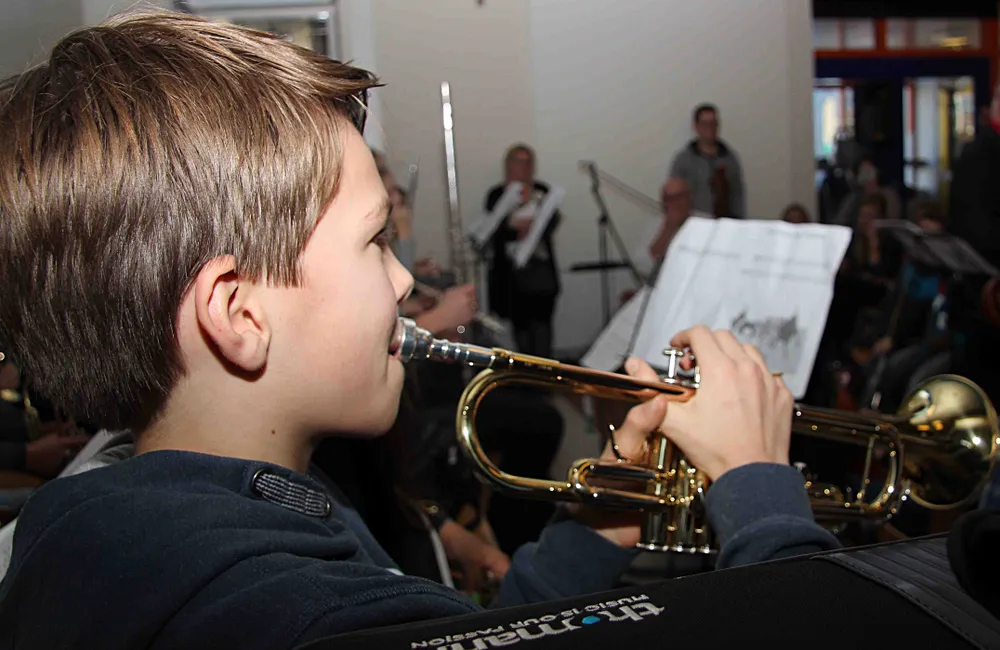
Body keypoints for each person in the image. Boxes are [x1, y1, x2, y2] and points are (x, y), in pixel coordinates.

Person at [0, 11, 838, 649]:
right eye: (375, 241)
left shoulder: (161, 523)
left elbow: (463, 634)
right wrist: (761, 497)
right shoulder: (294, 611)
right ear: (239, 314)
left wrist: (609, 513)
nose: (404, 279)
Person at [484, 144, 561, 358]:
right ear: (508, 166)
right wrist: (513, 225)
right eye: (519, 161)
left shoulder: (542, 191)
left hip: (542, 275)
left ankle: (544, 372)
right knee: (521, 332)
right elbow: (493, 229)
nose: (524, 167)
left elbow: (553, 221)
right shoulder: (496, 195)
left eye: (528, 162)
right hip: (512, 277)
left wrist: (535, 224)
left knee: (543, 330)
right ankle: (525, 373)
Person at [669, 104, 745, 219]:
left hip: (724, 223)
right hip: (693, 223)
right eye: (705, 124)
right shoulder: (683, 160)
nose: (710, 128)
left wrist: (739, 223)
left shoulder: (730, 159)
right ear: (696, 126)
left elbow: (738, 196)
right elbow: (674, 196)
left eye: (713, 123)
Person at [633, 177, 712, 283]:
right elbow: (643, 268)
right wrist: (668, 228)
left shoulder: (707, 223)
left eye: (678, 197)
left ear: (689, 198)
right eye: (668, 199)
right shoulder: (655, 224)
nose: (673, 204)